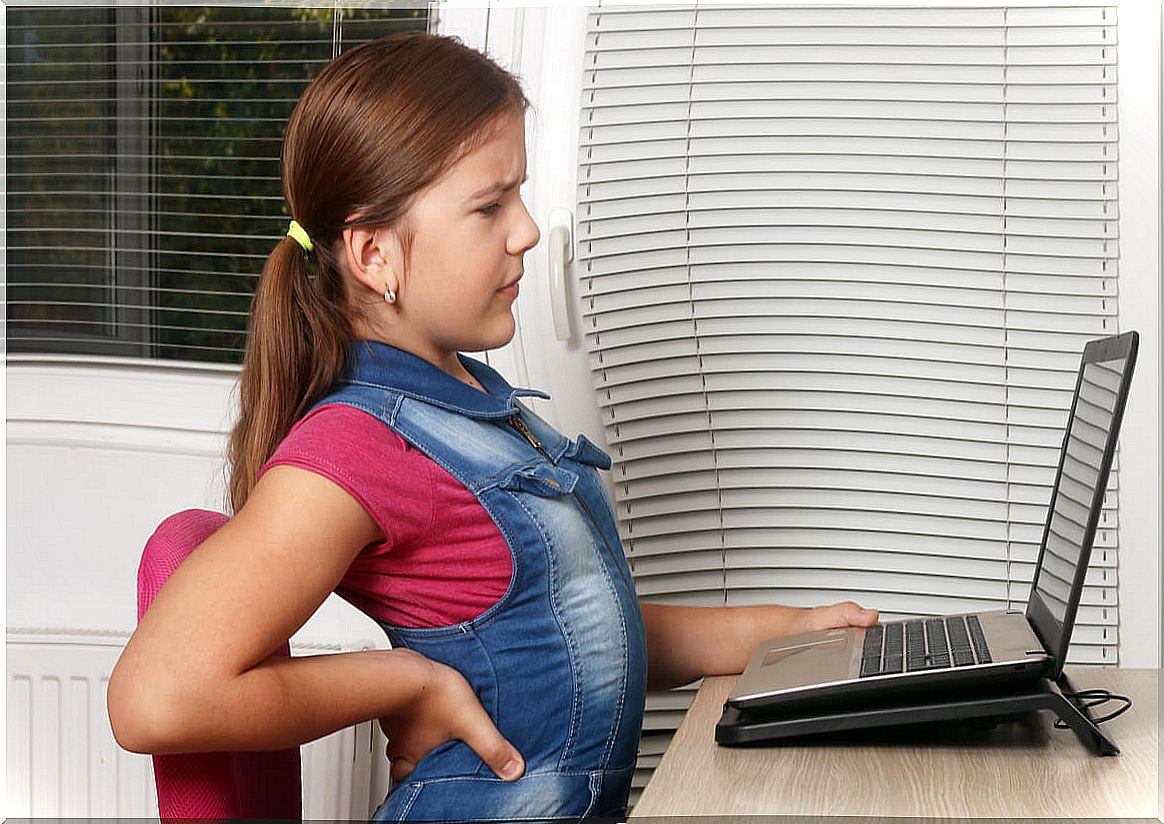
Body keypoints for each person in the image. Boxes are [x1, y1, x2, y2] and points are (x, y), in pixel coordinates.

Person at [108, 32, 878, 821]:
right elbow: (154, 699)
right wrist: (406, 680)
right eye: (489, 206)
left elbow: (572, 633)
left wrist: (787, 635)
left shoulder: (472, 398)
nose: (528, 231)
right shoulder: (357, 448)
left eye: (519, 195)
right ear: (375, 255)